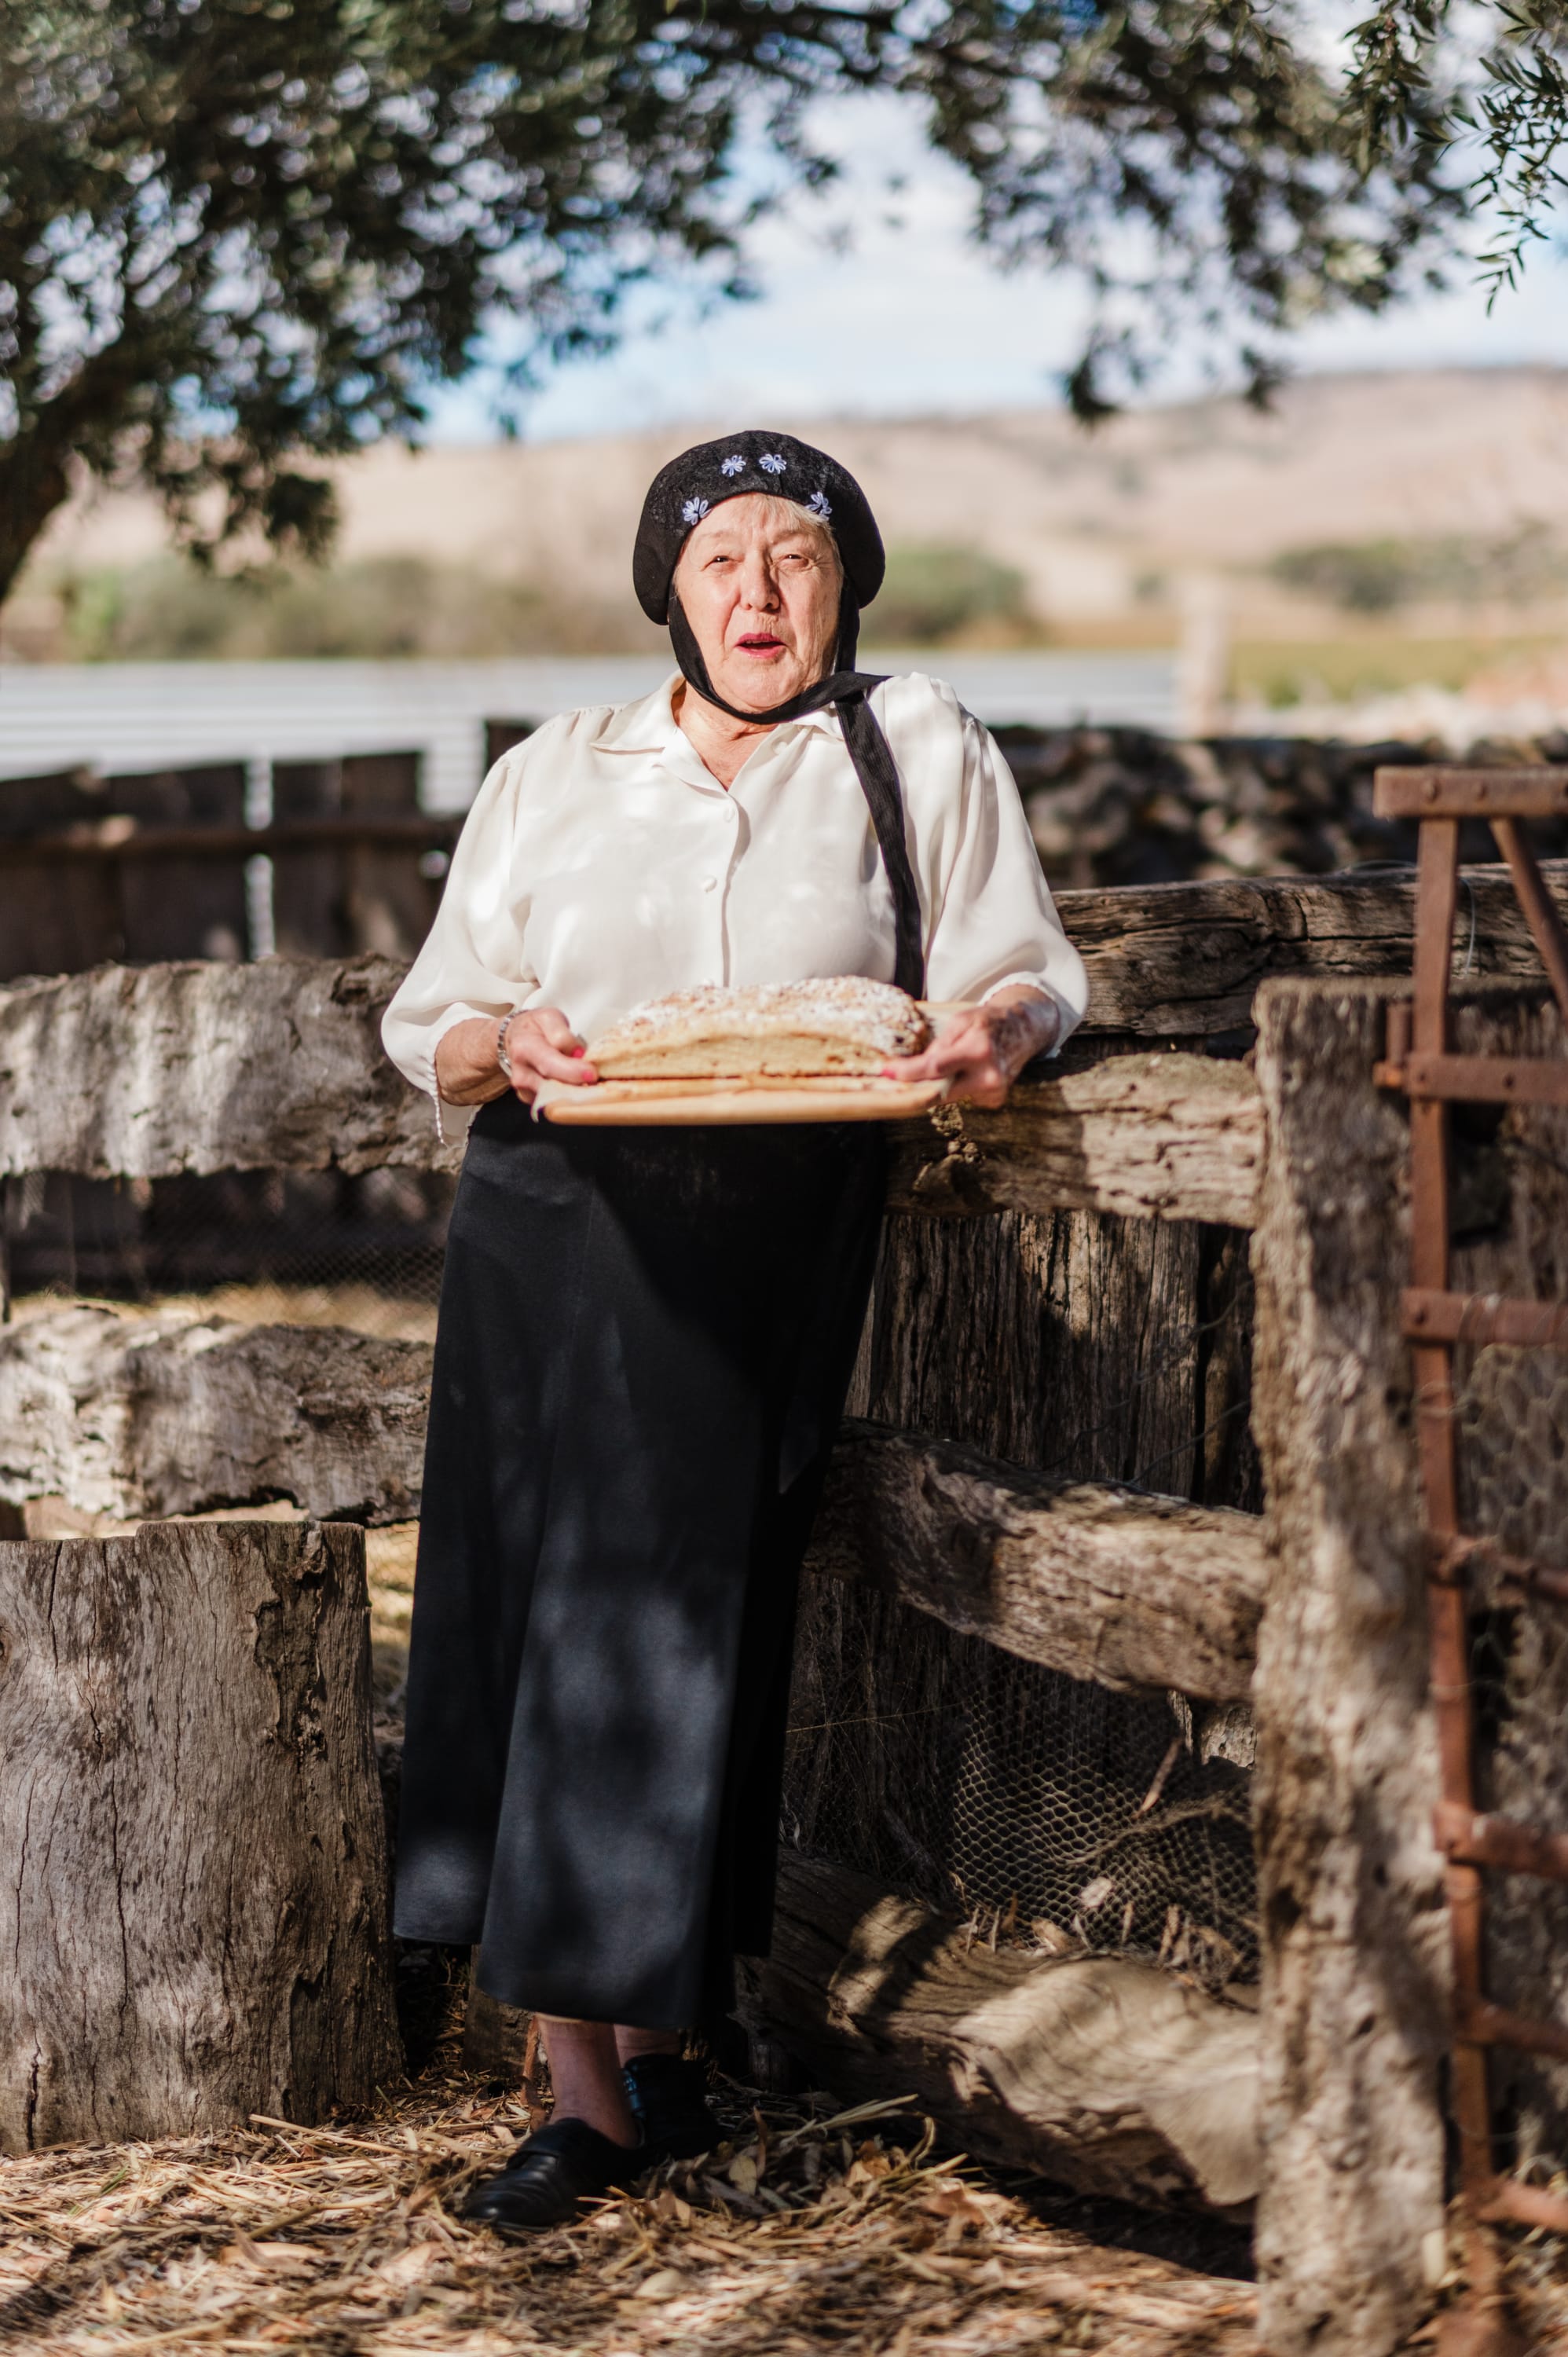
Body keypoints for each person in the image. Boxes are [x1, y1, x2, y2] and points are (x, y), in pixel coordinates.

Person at [380, 430, 1087, 2231]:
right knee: (570, 1604)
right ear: (665, 590)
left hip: (773, 1217)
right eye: (718, 561)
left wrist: (989, 1041)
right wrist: (505, 1045)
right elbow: (434, 1017)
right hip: (557, 1214)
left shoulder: (913, 740)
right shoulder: (562, 768)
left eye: (796, 556)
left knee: (704, 1604)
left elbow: (1018, 970)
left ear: (846, 583)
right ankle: (585, 2089)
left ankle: (666, 2047)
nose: (758, 593)